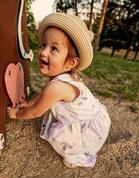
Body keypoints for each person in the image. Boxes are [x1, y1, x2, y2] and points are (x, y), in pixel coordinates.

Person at [7, 13, 111, 168]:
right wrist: (28, 103)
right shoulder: (62, 77)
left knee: (64, 141)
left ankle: (77, 157)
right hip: (98, 118)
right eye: (44, 45)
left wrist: (17, 114)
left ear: (70, 63)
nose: (43, 52)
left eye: (53, 48)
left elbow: (36, 112)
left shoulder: (57, 87)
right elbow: (43, 95)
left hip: (89, 133)